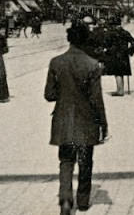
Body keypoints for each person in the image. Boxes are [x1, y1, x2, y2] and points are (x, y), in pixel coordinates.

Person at [45, 23, 108, 214]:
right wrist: (103, 123)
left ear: (69, 39)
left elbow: (49, 94)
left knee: (65, 160)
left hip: (63, 119)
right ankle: (82, 200)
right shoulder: (92, 64)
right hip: (86, 120)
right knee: (85, 161)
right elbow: (96, 99)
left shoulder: (56, 62)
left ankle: (65, 199)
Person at [102, 15, 134, 96]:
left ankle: (120, 91)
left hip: (114, 55)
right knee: (121, 72)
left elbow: (105, 44)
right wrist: (129, 51)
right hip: (124, 55)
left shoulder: (110, 33)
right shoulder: (125, 32)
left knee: (117, 73)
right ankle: (120, 89)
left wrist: (107, 50)